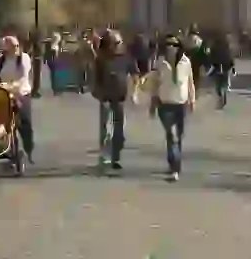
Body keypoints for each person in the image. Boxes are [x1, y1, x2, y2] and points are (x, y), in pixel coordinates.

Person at [145, 34, 196, 181]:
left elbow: (190, 82)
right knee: (172, 134)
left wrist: (192, 100)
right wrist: (153, 104)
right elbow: (154, 84)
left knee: (177, 137)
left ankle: (174, 163)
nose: (171, 48)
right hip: (165, 103)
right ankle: (175, 169)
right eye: (168, 45)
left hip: (181, 103)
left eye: (174, 45)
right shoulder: (160, 63)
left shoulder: (186, 62)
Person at [0, 34, 35, 164]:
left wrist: (14, 85)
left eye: (17, 45)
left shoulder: (24, 58)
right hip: (4, 93)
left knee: (24, 122)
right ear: (6, 48)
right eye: (12, 46)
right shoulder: (0, 60)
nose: (16, 48)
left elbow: (23, 75)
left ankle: (29, 150)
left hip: (21, 92)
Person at [92, 30, 133, 169]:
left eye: (120, 42)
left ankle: (116, 156)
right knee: (107, 131)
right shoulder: (101, 59)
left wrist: (136, 91)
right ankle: (106, 156)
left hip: (120, 98)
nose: (119, 45)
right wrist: (98, 94)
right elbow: (95, 79)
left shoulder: (124, 58)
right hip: (106, 99)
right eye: (116, 43)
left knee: (119, 131)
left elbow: (134, 73)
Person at [207, 31, 234, 108]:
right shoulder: (226, 46)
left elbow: (210, 56)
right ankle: (224, 94)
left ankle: (220, 96)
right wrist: (231, 65)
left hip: (217, 66)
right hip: (225, 66)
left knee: (217, 83)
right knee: (224, 82)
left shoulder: (214, 46)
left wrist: (210, 63)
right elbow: (230, 56)